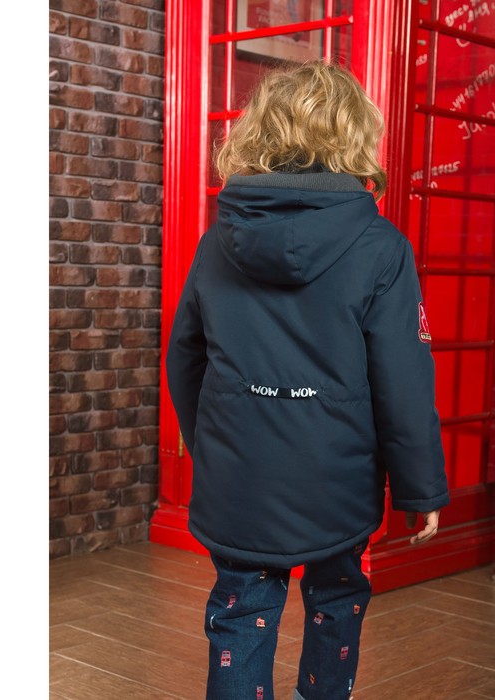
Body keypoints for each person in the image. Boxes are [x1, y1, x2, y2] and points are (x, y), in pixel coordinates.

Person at [166, 60, 449, 700]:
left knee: (240, 611)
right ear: (353, 134)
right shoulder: (381, 247)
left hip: (240, 470)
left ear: (258, 131)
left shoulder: (218, 242)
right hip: (336, 472)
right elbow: (403, 379)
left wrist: (211, 444)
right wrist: (421, 487)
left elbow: (185, 357)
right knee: (336, 601)